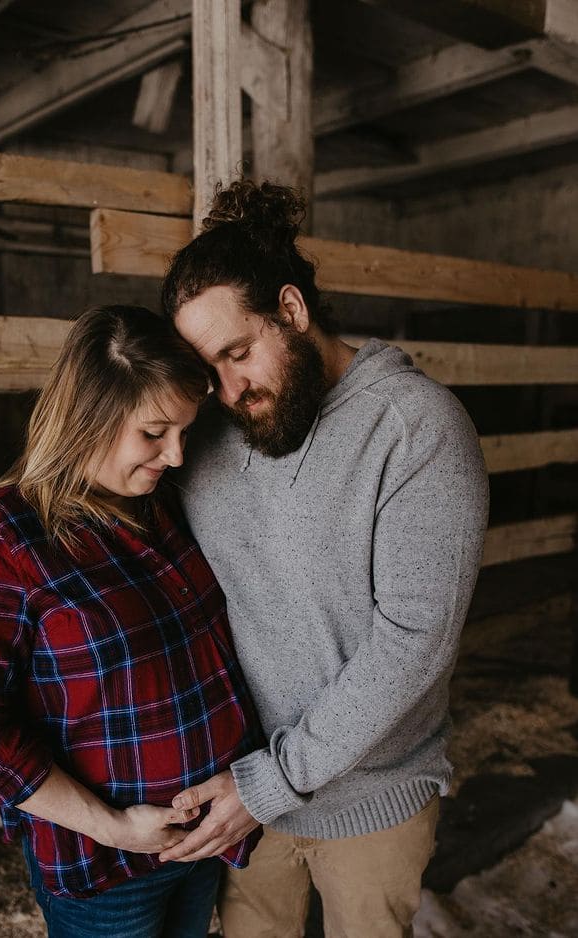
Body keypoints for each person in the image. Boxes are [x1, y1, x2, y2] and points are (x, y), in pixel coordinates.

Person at [158, 181, 490, 938]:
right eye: (210, 371)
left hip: (371, 799)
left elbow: (414, 642)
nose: (230, 389)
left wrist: (271, 782)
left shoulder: (415, 429)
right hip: (243, 792)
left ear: (293, 310)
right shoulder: (206, 435)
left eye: (239, 354)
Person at [0, 305, 263, 938]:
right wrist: (110, 825)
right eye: (155, 431)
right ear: (90, 417)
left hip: (207, 841)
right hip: (107, 864)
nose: (177, 455)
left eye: (185, 431)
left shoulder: (158, 507)